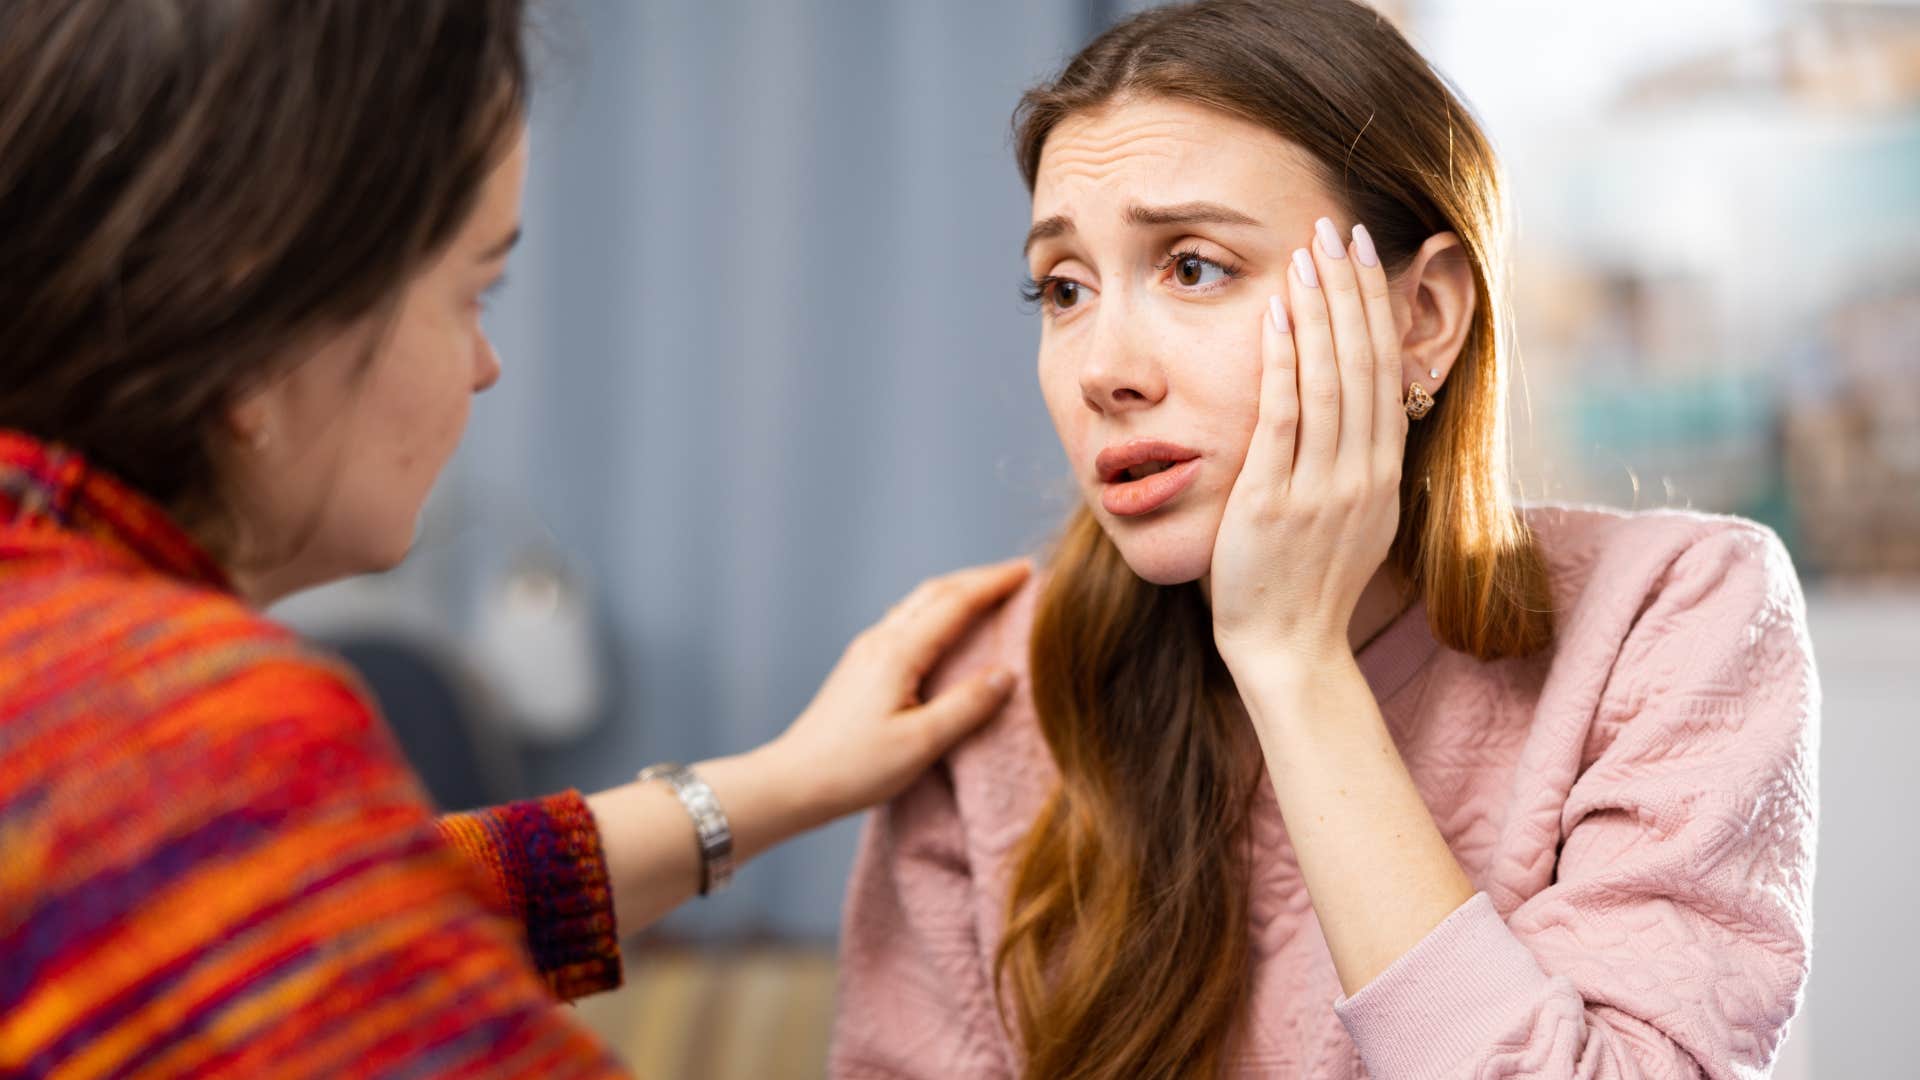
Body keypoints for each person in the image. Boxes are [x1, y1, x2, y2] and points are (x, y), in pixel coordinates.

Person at [0, 2, 1028, 1076]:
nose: (488, 364)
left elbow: (382, 899)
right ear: (258, 307)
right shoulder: (169, 743)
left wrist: (788, 780)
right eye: (472, 291)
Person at [830, 2, 1819, 1077]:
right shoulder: (992, 690)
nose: (1102, 367)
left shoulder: (1671, 616)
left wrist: (1294, 664)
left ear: (1425, 315)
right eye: (1063, 288)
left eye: (1194, 266)